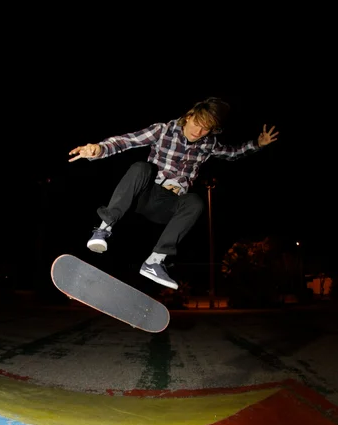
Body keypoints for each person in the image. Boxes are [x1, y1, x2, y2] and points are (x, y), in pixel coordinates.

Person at [68, 97, 279, 290]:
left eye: (205, 129)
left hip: (168, 206)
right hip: (146, 195)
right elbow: (127, 141)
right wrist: (98, 149)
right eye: (196, 123)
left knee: (195, 201)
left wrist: (257, 144)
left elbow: (231, 153)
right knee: (142, 168)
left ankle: (155, 262)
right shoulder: (163, 130)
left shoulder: (209, 144)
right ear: (188, 117)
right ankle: (103, 229)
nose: (198, 132)